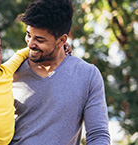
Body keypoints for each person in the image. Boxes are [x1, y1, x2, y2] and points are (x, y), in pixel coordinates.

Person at [10, 0, 111, 145]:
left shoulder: (88, 75)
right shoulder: (12, 71)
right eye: (28, 35)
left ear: (62, 40)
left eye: (39, 39)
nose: (30, 43)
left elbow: (98, 135)